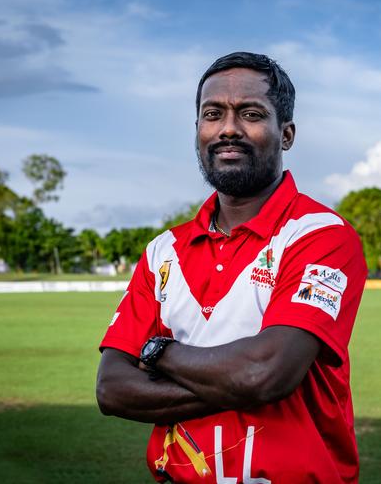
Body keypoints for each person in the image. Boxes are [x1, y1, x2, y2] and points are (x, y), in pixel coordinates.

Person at [96, 51, 367, 483]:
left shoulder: (320, 236)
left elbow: (265, 373)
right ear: (198, 130)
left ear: (287, 134)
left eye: (251, 114)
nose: (227, 128)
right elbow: (112, 389)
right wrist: (233, 380)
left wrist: (157, 352)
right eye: (212, 114)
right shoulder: (162, 251)